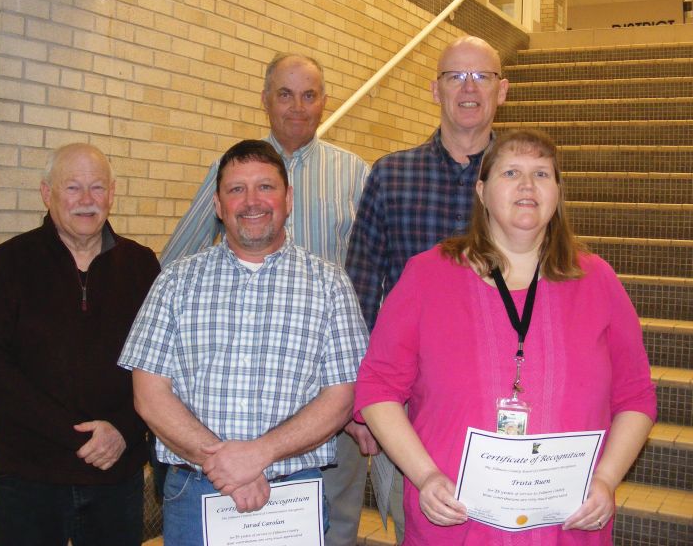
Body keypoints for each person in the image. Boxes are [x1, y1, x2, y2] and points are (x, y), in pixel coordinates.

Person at [354, 129, 656, 545]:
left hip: (566, 522)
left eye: (542, 174)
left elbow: (636, 397)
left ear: (558, 191)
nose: (527, 185)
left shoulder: (598, 280)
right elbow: (377, 388)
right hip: (454, 520)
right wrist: (424, 475)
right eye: (511, 172)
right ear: (481, 190)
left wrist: (605, 480)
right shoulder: (427, 276)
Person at [159, 53, 374, 546]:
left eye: (309, 95)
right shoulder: (227, 169)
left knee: (332, 524)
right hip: (227, 405)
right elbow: (176, 259)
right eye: (284, 94)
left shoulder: (356, 175)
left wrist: (364, 404)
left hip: (324, 397)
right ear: (265, 101)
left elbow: (375, 282)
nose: (297, 107)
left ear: (324, 103)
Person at [118, 140, 369, 546]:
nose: (252, 201)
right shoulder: (175, 282)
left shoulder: (331, 285)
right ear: (218, 205)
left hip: (293, 493)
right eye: (236, 189)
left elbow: (342, 396)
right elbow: (149, 395)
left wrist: (260, 455)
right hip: (197, 493)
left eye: (265, 187)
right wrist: (223, 463)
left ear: (288, 198)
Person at [344, 35, 510, 542]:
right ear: (434, 89)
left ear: (501, 91)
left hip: (508, 408)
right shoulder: (392, 176)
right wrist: (364, 405)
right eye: (455, 76)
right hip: (411, 414)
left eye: (481, 76)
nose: (468, 87)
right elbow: (360, 290)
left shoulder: (523, 180)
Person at [0, 143, 160, 546]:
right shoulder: (10, 262)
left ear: (113, 192)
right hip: (29, 477)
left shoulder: (142, 265)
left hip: (117, 474)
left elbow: (161, 364)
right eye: (73, 188)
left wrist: (124, 430)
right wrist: (78, 438)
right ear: (46, 193)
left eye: (97, 187)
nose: (87, 200)